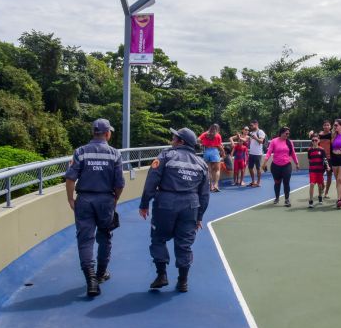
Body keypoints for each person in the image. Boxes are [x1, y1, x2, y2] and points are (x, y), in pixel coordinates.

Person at [139, 127, 209, 293]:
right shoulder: (202, 164)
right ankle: (183, 281)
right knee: (184, 243)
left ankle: (161, 275)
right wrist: (199, 216)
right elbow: (204, 194)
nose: (172, 139)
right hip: (191, 205)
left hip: (166, 202)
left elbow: (152, 180)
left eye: (174, 137)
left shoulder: (166, 155)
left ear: (181, 142)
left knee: (158, 238)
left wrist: (144, 204)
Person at [64, 118, 125, 297]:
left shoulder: (80, 152)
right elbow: (119, 183)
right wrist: (114, 201)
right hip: (105, 200)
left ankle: (90, 279)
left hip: (84, 200)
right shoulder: (115, 154)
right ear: (107, 134)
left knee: (85, 239)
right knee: (105, 236)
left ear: (93, 133)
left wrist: (70, 199)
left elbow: (70, 178)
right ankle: (100, 274)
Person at [263, 126, 300, 206]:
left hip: (286, 165)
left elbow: (293, 153)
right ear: (282, 133)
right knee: (277, 182)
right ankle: (277, 198)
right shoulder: (274, 141)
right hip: (276, 166)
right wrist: (264, 162)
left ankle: (287, 199)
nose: (287, 135)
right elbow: (269, 152)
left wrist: (297, 163)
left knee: (286, 182)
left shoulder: (289, 142)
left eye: (288, 134)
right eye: (286, 133)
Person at [306, 133, 330, 207]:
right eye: (313, 140)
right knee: (312, 184)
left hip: (320, 170)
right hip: (312, 170)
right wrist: (311, 167)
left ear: (318, 141)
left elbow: (325, 159)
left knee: (320, 185)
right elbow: (310, 159)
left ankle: (320, 196)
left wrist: (327, 166)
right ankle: (311, 200)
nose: (314, 142)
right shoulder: (309, 150)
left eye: (316, 140)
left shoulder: (322, 150)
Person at [199, 123, 223, 192]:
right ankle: (216, 185)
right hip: (214, 151)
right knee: (217, 170)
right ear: (217, 129)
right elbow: (219, 146)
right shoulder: (218, 135)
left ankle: (210, 186)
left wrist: (202, 143)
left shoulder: (205, 134)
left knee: (209, 171)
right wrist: (223, 152)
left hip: (206, 151)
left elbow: (198, 140)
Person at [246, 119, 266, 187]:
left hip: (258, 154)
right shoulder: (251, 133)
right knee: (250, 167)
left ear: (256, 124)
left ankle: (258, 183)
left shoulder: (260, 132)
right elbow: (248, 140)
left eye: (252, 125)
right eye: (250, 125)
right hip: (251, 153)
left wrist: (255, 138)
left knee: (258, 168)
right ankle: (253, 181)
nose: (250, 127)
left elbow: (261, 141)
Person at [317, 120, 334, 197]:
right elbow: (315, 143)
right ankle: (323, 187)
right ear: (323, 126)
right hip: (320, 158)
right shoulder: (319, 135)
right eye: (325, 125)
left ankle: (326, 192)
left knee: (329, 175)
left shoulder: (332, 134)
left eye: (328, 125)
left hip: (330, 158)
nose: (326, 126)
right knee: (319, 175)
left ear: (330, 126)